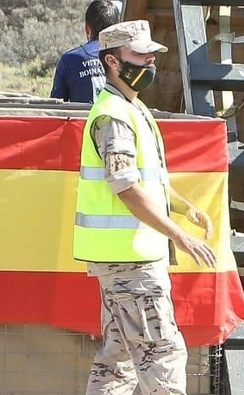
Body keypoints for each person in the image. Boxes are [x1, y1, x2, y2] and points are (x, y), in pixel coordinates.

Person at [76, 20, 218, 395]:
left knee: (118, 362)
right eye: (140, 54)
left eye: (151, 53)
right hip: (132, 263)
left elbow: (145, 183)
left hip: (124, 261)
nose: (150, 60)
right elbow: (125, 187)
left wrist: (184, 208)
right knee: (161, 355)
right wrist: (180, 236)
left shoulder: (128, 108)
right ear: (112, 61)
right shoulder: (115, 116)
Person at [53, 0, 123, 104]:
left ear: (87, 28)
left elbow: (56, 103)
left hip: (83, 115)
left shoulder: (69, 60)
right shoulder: (126, 57)